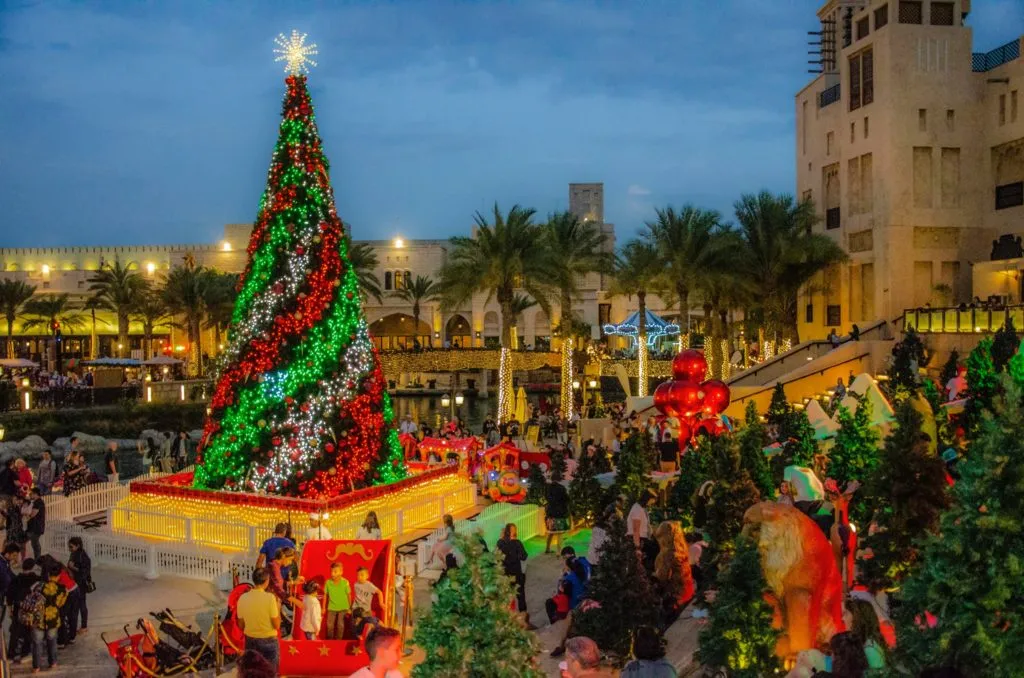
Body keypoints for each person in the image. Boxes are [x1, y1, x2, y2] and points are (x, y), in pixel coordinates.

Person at [236, 567, 281, 673]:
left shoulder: (242, 598)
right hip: (268, 641)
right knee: (270, 672)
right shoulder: (270, 598)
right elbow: (277, 625)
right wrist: (278, 609)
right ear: (266, 581)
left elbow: (241, 625)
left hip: (250, 641)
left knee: (252, 672)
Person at [33, 563, 68, 671]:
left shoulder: (39, 586)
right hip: (53, 619)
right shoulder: (62, 589)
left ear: (48, 574)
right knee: (52, 642)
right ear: (59, 576)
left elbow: (33, 600)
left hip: (39, 619)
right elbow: (61, 604)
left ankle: (36, 667)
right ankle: (52, 662)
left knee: (37, 643)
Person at [7, 557, 39, 664]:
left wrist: (9, 609)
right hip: (30, 611)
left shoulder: (16, 579)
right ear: (33, 568)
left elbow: (10, 596)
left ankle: (11, 655)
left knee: (15, 632)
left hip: (17, 609)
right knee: (28, 632)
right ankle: (25, 653)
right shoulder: (35, 580)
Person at [496, 523, 529, 619]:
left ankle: (509, 617)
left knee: (507, 597)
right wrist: (516, 556)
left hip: (505, 575)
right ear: (512, 532)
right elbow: (524, 556)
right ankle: (524, 616)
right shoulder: (517, 543)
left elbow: (497, 557)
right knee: (520, 596)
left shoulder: (500, 543)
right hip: (517, 574)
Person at [845, 597, 887, 670]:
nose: (843, 618)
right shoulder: (865, 643)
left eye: (846, 614)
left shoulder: (870, 649)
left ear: (856, 618)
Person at [66, 537, 91, 634]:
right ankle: (74, 626)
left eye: (71, 547)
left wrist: (73, 568)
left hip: (80, 584)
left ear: (77, 546)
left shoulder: (83, 557)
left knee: (81, 605)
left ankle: (84, 626)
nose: (70, 549)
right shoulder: (75, 554)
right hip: (73, 583)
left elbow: (84, 572)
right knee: (76, 605)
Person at [324, 561, 352, 640]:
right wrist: (323, 608)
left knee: (340, 625)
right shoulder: (328, 582)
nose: (332, 574)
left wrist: (350, 608)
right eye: (331, 571)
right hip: (332, 607)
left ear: (341, 572)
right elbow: (326, 595)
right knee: (329, 625)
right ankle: (330, 640)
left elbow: (349, 595)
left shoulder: (345, 582)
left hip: (343, 607)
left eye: (335, 571)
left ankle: (338, 641)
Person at [544, 477, 571, 554]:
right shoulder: (561, 488)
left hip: (550, 514)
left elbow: (546, 498)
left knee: (551, 532)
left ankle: (547, 549)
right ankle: (558, 552)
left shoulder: (548, 488)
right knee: (560, 533)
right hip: (559, 514)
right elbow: (567, 499)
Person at [25, 487, 44, 561]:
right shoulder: (37, 502)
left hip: (36, 527)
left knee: (35, 544)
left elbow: (33, 514)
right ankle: (37, 559)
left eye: (31, 494)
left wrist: (27, 516)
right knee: (34, 543)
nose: (30, 495)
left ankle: (38, 559)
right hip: (35, 526)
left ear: (36, 494)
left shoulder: (38, 502)